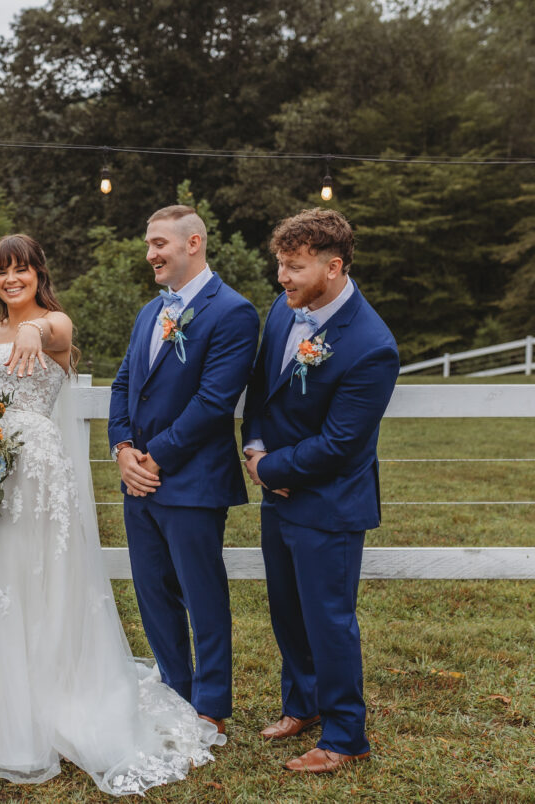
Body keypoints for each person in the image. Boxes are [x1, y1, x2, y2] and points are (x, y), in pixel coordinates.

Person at [0, 234, 225, 797]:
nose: (11, 280)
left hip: (41, 472)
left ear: (37, 274)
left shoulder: (57, 323)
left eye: (21, 270)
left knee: (41, 577)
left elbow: (55, 335)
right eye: (2, 272)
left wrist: (30, 328)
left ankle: (53, 698)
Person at [242, 207, 398, 773]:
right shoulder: (285, 313)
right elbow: (260, 390)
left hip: (329, 505)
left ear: (333, 267)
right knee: (287, 611)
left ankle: (346, 736)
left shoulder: (372, 345)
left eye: (294, 267)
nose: (282, 277)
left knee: (329, 620)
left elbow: (342, 445)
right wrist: (255, 446)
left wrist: (270, 470)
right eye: (280, 264)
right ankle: (302, 705)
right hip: (277, 493)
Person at [107, 205, 260, 735]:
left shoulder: (234, 312)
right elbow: (125, 383)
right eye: (149, 245)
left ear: (192, 243)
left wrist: (156, 458)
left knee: (202, 594)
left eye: (158, 244)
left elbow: (214, 401)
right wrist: (123, 449)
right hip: (138, 480)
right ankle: (176, 689)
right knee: (152, 591)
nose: (150, 254)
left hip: (192, 480)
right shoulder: (150, 311)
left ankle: (212, 705)